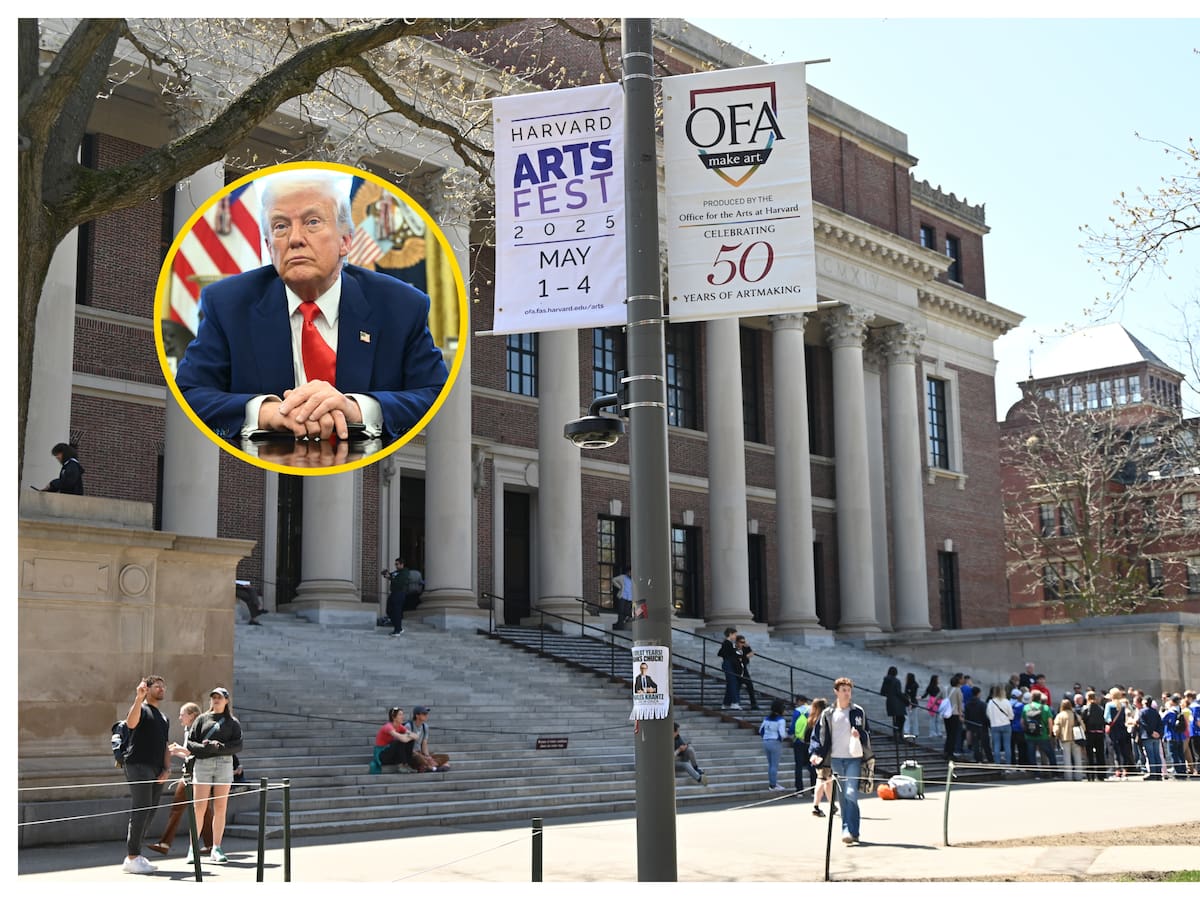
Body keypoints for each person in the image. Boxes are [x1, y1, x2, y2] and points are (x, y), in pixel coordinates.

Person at [174, 169, 449, 446]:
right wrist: (265, 412)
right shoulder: (227, 304)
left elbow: (435, 394)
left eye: (312, 222)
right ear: (270, 248)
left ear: (345, 242)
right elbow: (190, 391)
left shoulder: (401, 306)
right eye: (280, 226)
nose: (295, 239)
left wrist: (356, 408)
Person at [121, 675, 172, 875]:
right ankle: (132, 857)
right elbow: (131, 724)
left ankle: (136, 854)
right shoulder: (140, 708)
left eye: (163, 686)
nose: (161, 689)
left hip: (157, 768)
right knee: (141, 809)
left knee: (150, 810)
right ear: (147, 689)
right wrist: (138, 698)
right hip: (138, 764)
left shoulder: (164, 717)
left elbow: (165, 746)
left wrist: (167, 769)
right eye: (157, 686)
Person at [148, 702, 214, 857]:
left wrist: (179, 750)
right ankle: (209, 845)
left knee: (198, 810)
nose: (179, 718)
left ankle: (166, 844)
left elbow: (198, 752)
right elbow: (189, 754)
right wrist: (178, 750)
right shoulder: (187, 730)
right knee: (197, 810)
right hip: (189, 774)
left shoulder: (200, 729)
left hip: (197, 774)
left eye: (182, 714)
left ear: (192, 715)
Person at [186, 687, 243, 863]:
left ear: (226, 700)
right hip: (203, 764)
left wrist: (221, 747)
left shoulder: (232, 722)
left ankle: (216, 847)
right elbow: (190, 743)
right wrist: (205, 748)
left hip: (224, 764)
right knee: (199, 808)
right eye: (213, 697)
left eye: (220, 697)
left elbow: (238, 745)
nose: (216, 700)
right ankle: (192, 848)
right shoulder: (202, 719)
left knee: (220, 807)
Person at [811, 678, 871, 845]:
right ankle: (848, 830)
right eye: (843, 690)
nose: (847, 693)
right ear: (836, 692)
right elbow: (818, 736)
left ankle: (853, 829)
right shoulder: (828, 714)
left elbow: (867, 732)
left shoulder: (858, 712)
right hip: (836, 759)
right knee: (843, 797)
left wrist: (860, 736)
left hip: (854, 759)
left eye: (849, 690)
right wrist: (815, 753)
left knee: (851, 794)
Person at [805, 698, 836, 818]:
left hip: (817, 753)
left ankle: (831, 804)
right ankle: (816, 806)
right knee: (823, 780)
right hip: (825, 754)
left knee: (826, 779)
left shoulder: (812, 720)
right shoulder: (824, 719)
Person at [404, 706, 450, 772]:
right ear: (417, 715)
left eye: (427, 714)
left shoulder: (425, 726)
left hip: (421, 753)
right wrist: (422, 757)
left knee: (446, 757)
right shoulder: (408, 726)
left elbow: (424, 743)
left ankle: (427, 766)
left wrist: (427, 756)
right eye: (424, 714)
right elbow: (405, 746)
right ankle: (433, 767)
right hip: (411, 754)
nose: (426, 715)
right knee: (418, 758)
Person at [759, 698, 790, 791]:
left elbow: (761, 730)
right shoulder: (781, 720)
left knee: (770, 764)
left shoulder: (767, 718)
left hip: (766, 741)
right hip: (775, 742)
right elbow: (782, 734)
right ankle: (773, 785)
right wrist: (787, 735)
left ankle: (772, 783)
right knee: (774, 765)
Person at [1023, 690, 1056, 775]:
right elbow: (1050, 722)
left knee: (1031, 754)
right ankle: (1055, 772)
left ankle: (1036, 774)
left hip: (1029, 735)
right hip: (1043, 734)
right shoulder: (1045, 708)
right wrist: (1050, 733)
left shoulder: (1026, 707)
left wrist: (1026, 731)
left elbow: (1022, 721)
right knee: (1050, 754)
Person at [1053, 697, 1086, 782]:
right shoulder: (1075, 714)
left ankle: (1068, 776)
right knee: (1078, 758)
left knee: (1067, 758)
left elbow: (1056, 728)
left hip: (1065, 738)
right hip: (1076, 738)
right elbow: (1083, 726)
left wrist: (1056, 735)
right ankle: (1079, 776)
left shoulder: (1060, 715)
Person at [1080, 689, 1108, 782]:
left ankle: (1090, 775)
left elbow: (1083, 720)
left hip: (1089, 733)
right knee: (1100, 754)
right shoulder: (1100, 708)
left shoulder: (1085, 708)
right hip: (1099, 733)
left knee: (1089, 755)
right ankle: (1101, 775)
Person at [986, 685, 1014, 769]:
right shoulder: (1006, 701)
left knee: (996, 745)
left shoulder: (991, 702)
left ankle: (997, 763)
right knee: (1007, 745)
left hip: (995, 725)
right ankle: (1008, 764)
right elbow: (1011, 715)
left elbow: (988, 713)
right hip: (1005, 724)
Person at [790, 695, 812, 793]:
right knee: (812, 766)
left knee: (798, 766)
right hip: (810, 742)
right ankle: (813, 790)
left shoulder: (797, 711)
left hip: (798, 741)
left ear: (799, 701)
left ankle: (799, 790)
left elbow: (792, 728)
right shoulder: (812, 710)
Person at [382, 558, 409, 635]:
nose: (396, 566)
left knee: (397, 611)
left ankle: (397, 630)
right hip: (393, 593)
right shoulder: (396, 572)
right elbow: (391, 575)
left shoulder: (405, 572)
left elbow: (399, 582)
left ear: (402, 564)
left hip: (400, 593)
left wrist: (390, 577)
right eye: (395, 564)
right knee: (389, 610)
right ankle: (398, 628)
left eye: (397, 564)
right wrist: (386, 573)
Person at [718, 627, 741, 710]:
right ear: (730, 634)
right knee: (733, 682)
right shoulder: (727, 643)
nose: (735, 636)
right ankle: (734, 702)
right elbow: (722, 653)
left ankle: (726, 703)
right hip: (728, 664)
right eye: (734, 634)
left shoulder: (728, 643)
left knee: (730, 683)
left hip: (728, 664)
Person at [881, 666, 906, 742]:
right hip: (897, 703)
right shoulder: (896, 681)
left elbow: (882, 692)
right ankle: (899, 736)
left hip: (890, 702)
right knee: (901, 719)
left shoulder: (886, 680)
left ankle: (896, 735)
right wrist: (906, 701)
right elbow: (898, 693)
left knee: (895, 720)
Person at [735, 635, 759, 711]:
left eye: (744, 642)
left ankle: (753, 704)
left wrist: (748, 648)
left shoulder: (745, 648)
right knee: (736, 687)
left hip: (744, 670)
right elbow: (739, 660)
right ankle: (734, 703)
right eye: (741, 642)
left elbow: (751, 653)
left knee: (750, 686)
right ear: (737, 642)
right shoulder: (734, 649)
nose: (743, 644)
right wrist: (747, 656)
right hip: (737, 670)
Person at [943, 673, 963, 761]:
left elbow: (938, 697)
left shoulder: (945, 689)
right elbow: (959, 704)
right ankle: (950, 753)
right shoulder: (958, 690)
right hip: (954, 714)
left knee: (948, 733)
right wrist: (961, 715)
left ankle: (946, 751)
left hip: (946, 714)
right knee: (953, 734)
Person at [903, 673, 921, 738]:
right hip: (911, 703)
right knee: (912, 719)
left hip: (911, 703)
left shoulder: (912, 685)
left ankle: (908, 732)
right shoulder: (912, 685)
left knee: (909, 718)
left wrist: (910, 703)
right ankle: (914, 732)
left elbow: (911, 695)